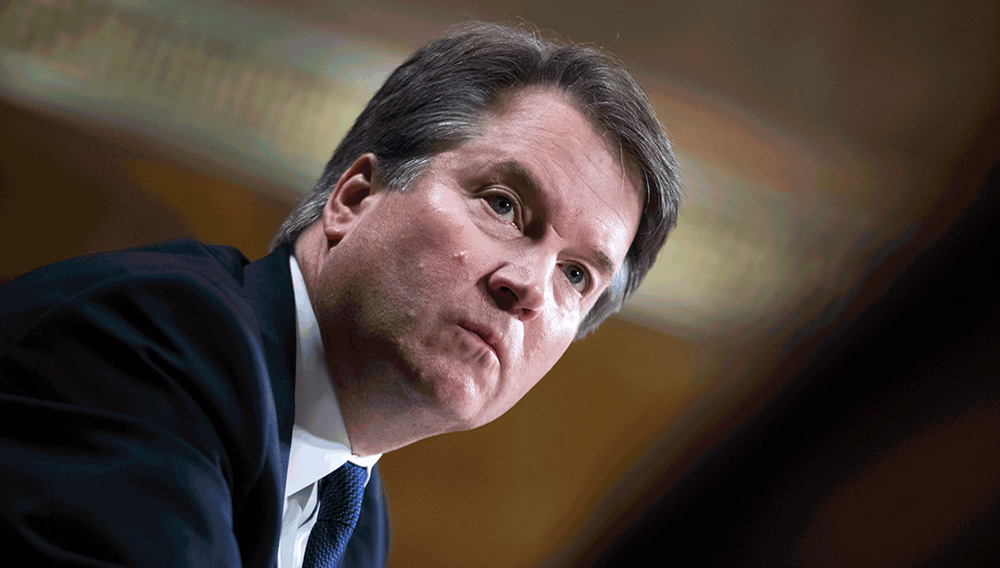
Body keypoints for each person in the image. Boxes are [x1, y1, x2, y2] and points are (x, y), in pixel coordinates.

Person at [0, 21, 680, 568]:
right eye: (502, 205)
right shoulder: (155, 341)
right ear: (355, 198)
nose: (528, 287)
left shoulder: (350, 521)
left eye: (576, 276)